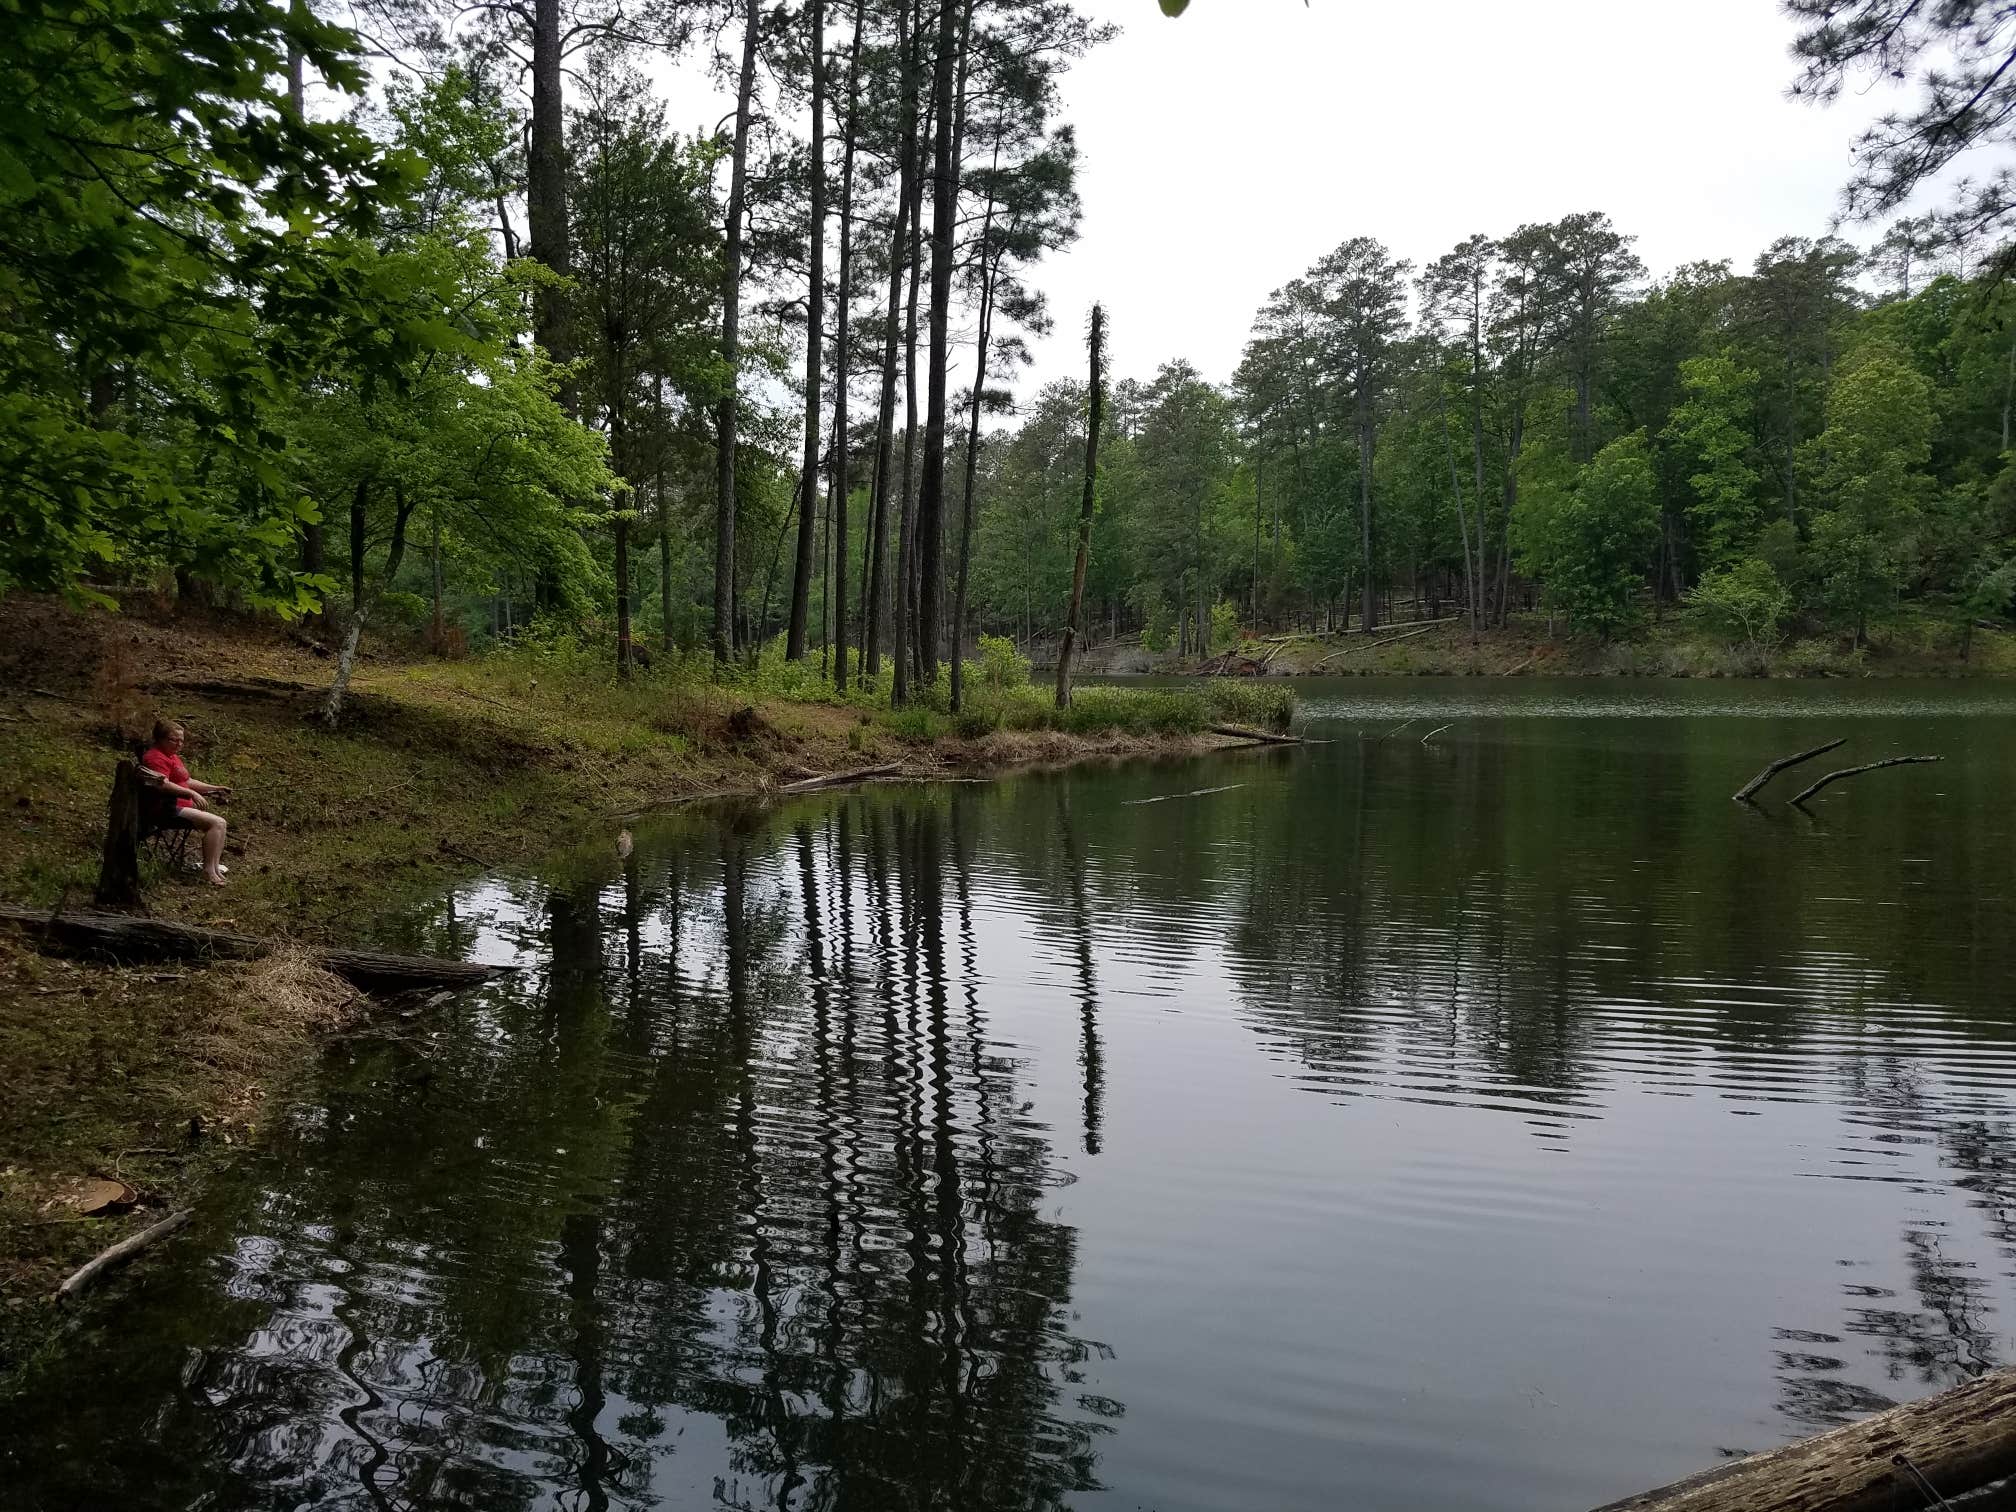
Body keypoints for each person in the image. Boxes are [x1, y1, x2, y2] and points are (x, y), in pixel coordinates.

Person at [139, 719, 233, 886]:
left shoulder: (172, 756)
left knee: (221, 824)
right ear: (160, 739)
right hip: (166, 809)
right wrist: (191, 793)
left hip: (181, 805)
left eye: (181, 740)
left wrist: (215, 788)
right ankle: (208, 871)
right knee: (217, 823)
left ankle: (215, 869)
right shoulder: (154, 758)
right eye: (173, 740)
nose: (179, 744)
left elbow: (187, 781)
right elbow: (163, 785)